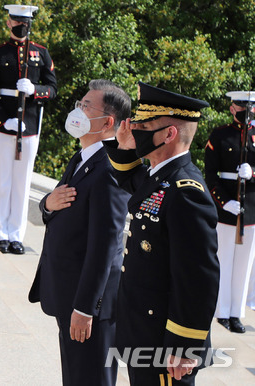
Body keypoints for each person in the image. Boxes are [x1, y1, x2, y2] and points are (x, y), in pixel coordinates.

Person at [104, 82, 220, 385]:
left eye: (145, 124)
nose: (136, 128)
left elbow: (199, 278)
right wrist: (126, 146)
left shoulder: (186, 191)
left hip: (165, 345)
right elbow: (134, 186)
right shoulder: (162, 177)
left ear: (169, 134)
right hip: (143, 330)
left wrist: (184, 348)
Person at [28, 79, 131, 386]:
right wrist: (47, 204)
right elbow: (61, 205)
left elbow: (106, 246)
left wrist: (86, 307)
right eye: (79, 104)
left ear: (108, 121)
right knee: (76, 376)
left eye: (87, 106)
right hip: (69, 293)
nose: (79, 110)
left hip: (88, 306)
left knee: (91, 379)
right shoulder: (85, 157)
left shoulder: (110, 168)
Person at [0, 4, 57, 254]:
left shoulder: (41, 53)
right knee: (2, 180)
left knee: (22, 182)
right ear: (8, 22)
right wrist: (4, 120)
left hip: (30, 125)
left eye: (25, 21)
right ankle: (1, 234)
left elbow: (53, 88)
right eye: (16, 21)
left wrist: (35, 90)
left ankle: (16, 235)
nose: (20, 25)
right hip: (3, 126)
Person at [204, 91, 255, 334]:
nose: (247, 111)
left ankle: (237, 313)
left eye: (250, 106)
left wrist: (252, 173)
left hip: (251, 210)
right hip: (227, 208)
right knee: (224, 260)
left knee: (243, 265)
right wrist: (223, 202)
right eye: (243, 106)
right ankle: (221, 311)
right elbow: (211, 175)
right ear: (233, 107)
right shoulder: (220, 134)